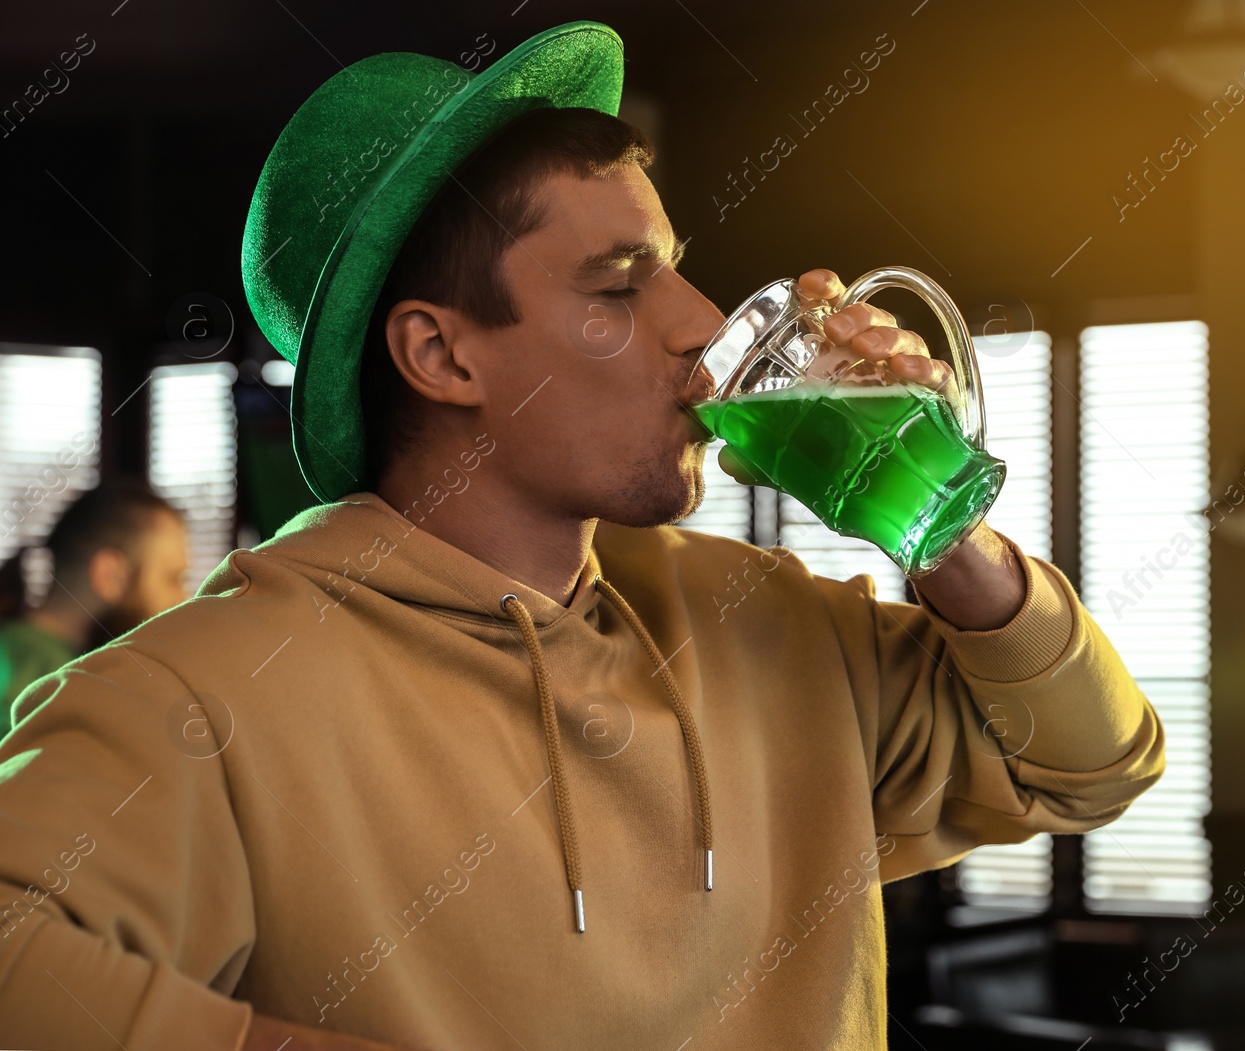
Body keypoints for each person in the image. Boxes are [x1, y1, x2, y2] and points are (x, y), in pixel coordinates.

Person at [0, 21, 1165, 1051]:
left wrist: (935, 526)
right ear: (443, 356)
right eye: (618, 288)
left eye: (674, 270)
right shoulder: (209, 691)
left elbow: (1088, 766)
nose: (703, 325)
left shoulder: (767, 617)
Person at [0, 478, 190, 734]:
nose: (185, 599)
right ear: (110, 576)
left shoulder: (78, 664)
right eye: (173, 579)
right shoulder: (25, 673)